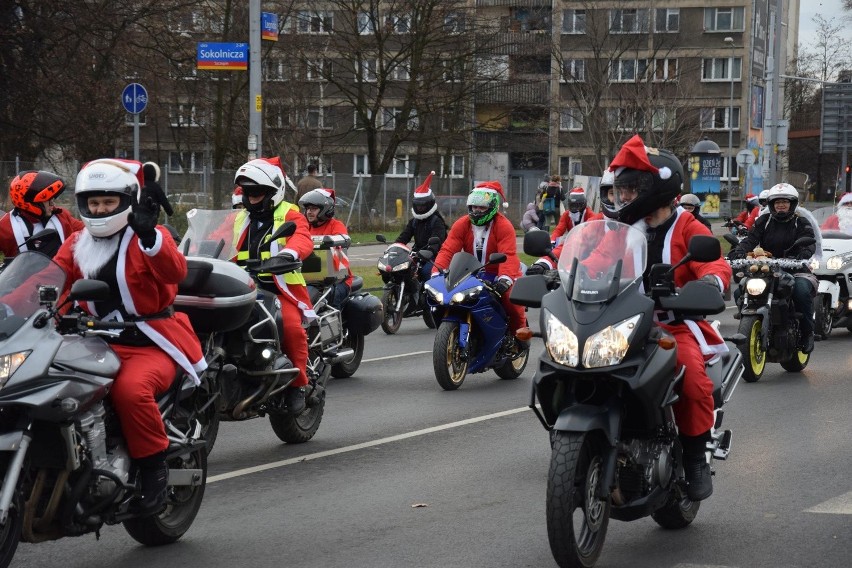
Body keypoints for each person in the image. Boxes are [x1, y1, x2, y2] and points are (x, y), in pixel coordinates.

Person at [51, 158, 206, 516]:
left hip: (148, 342)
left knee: (129, 391)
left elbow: (175, 270)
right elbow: (53, 280)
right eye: (94, 203)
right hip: (91, 342)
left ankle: (154, 469)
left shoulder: (148, 236)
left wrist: (151, 236)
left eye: (108, 202)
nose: (100, 209)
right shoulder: (77, 241)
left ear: (125, 201)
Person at [232, 157, 315, 414]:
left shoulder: (289, 213)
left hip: (279, 288)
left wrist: (290, 254)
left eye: (258, 191)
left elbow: (302, 236)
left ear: (273, 191)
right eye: (248, 191)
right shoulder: (239, 218)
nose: (252, 196)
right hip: (241, 287)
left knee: (290, 328)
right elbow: (215, 240)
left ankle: (298, 384)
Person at [431, 180, 526, 346]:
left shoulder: (504, 226)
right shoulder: (462, 224)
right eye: (474, 207)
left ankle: (521, 335)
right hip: (470, 272)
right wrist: (436, 272)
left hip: (499, 273)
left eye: (481, 207)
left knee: (511, 298)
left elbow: (508, 255)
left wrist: (505, 279)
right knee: (447, 297)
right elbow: (447, 250)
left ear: (492, 207)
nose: (477, 211)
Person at [729, 182, 817, 353]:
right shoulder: (764, 221)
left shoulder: (801, 222)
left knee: (800, 290)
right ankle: (749, 321)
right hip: (766, 267)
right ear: (771, 205)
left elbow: (809, 241)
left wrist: (803, 254)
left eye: (785, 201)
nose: (781, 205)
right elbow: (751, 240)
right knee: (740, 290)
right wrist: (739, 250)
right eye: (777, 202)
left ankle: (808, 333)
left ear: (792, 204)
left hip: (795, 268)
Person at [0, 170, 85, 259]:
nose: (53, 204)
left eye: (52, 199)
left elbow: (87, 231)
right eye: (48, 200)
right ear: (32, 203)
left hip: (60, 272)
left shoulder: (61, 216)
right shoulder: (5, 226)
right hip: (23, 272)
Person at [299, 187, 353, 307]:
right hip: (308, 278)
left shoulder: (336, 226)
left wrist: (330, 242)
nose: (309, 212)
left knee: (331, 297)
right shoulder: (304, 227)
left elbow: (343, 240)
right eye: (307, 208)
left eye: (314, 208)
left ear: (325, 209)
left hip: (337, 280)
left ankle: (336, 324)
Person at [395, 171, 448, 282]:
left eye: (422, 205)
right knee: (401, 270)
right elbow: (404, 237)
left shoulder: (437, 222)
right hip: (418, 255)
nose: (420, 208)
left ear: (429, 204)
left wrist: (430, 251)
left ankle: (428, 296)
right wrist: (395, 247)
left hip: (435, 256)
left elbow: (437, 241)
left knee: (426, 272)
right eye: (418, 205)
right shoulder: (414, 222)